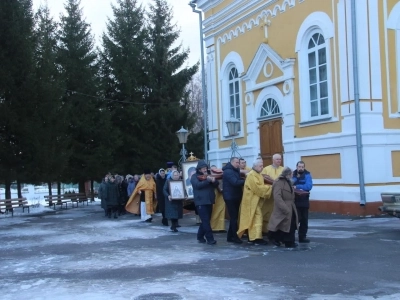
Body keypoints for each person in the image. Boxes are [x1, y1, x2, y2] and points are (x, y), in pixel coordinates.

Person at [237, 159, 271, 245]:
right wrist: (270, 188)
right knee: (256, 218)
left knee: (255, 219)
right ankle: (255, 238)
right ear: (255, 166)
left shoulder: (257, 174)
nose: (262, 167)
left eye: (262, 166)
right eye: (260, 166)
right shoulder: (252, 175)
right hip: (251, 202)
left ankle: (254, 237)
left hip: (255, 201)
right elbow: (258, 188)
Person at [268, 167, 299, 248]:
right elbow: (277, 197)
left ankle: (289, 241)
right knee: (280, 224)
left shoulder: (288, 181)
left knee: (290, 225)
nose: (292, 175)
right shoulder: (278, 182)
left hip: (290, 206)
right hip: (282, 207)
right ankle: (280, 240)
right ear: (288, 174)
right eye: (291, 174)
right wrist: (285, 208)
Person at [191, 160, 219, 245]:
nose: (205, 169)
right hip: (200, 201)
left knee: (206, 220)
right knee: (206, 221)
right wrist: (208, 180)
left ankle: (199, 236)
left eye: (205, 168)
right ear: (199, 169)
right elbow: (197, 185)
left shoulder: (209, 175)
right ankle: (210, 239)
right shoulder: (194, 176)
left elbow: (216, 184)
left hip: (209, 200)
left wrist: (214, 181)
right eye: (203, 168)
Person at [222, 157, 245, 244]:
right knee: (233, 217)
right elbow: (235, 182)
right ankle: (235, 237)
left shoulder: (235, 170)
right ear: (231, 162)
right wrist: (245, 181)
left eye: (238, 162)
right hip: (230, 197)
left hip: (235, 196)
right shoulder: (228, 171)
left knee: (234, 217)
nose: (238, 164)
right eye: (236, 162)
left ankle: (230, 236)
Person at [261, 153, 284, 234]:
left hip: (279, 196)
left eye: (280, 159)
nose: (279, 161)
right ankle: (265, 230)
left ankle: (277, 230)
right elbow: (263, 180)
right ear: (273, 160)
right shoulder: (266, 169)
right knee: (267, 213)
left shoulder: (283, 169)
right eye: (277, 159)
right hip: (269, 196)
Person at [292, 161, 313, 243]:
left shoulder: (307, 175)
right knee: (295, 220)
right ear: (296, 167)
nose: (300, 168)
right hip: (295, 200)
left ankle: (302, 237)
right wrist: (297, 179)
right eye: (299, 167)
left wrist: (297, 186)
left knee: (304, 220)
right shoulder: (293, 174)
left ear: (304, 167)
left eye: (302, 167)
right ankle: (291, 236)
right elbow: (290, 183)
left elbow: (308, 186)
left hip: (304, 200)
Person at [210, 165, 226, 233]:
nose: (215, 172)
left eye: (215, 170)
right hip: (213, 194)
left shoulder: (221, 175)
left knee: (221, 210)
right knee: (213, 211)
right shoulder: (209, 177)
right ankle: (212, 227)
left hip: (220, 195)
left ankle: (220, 227)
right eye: (213, 170)